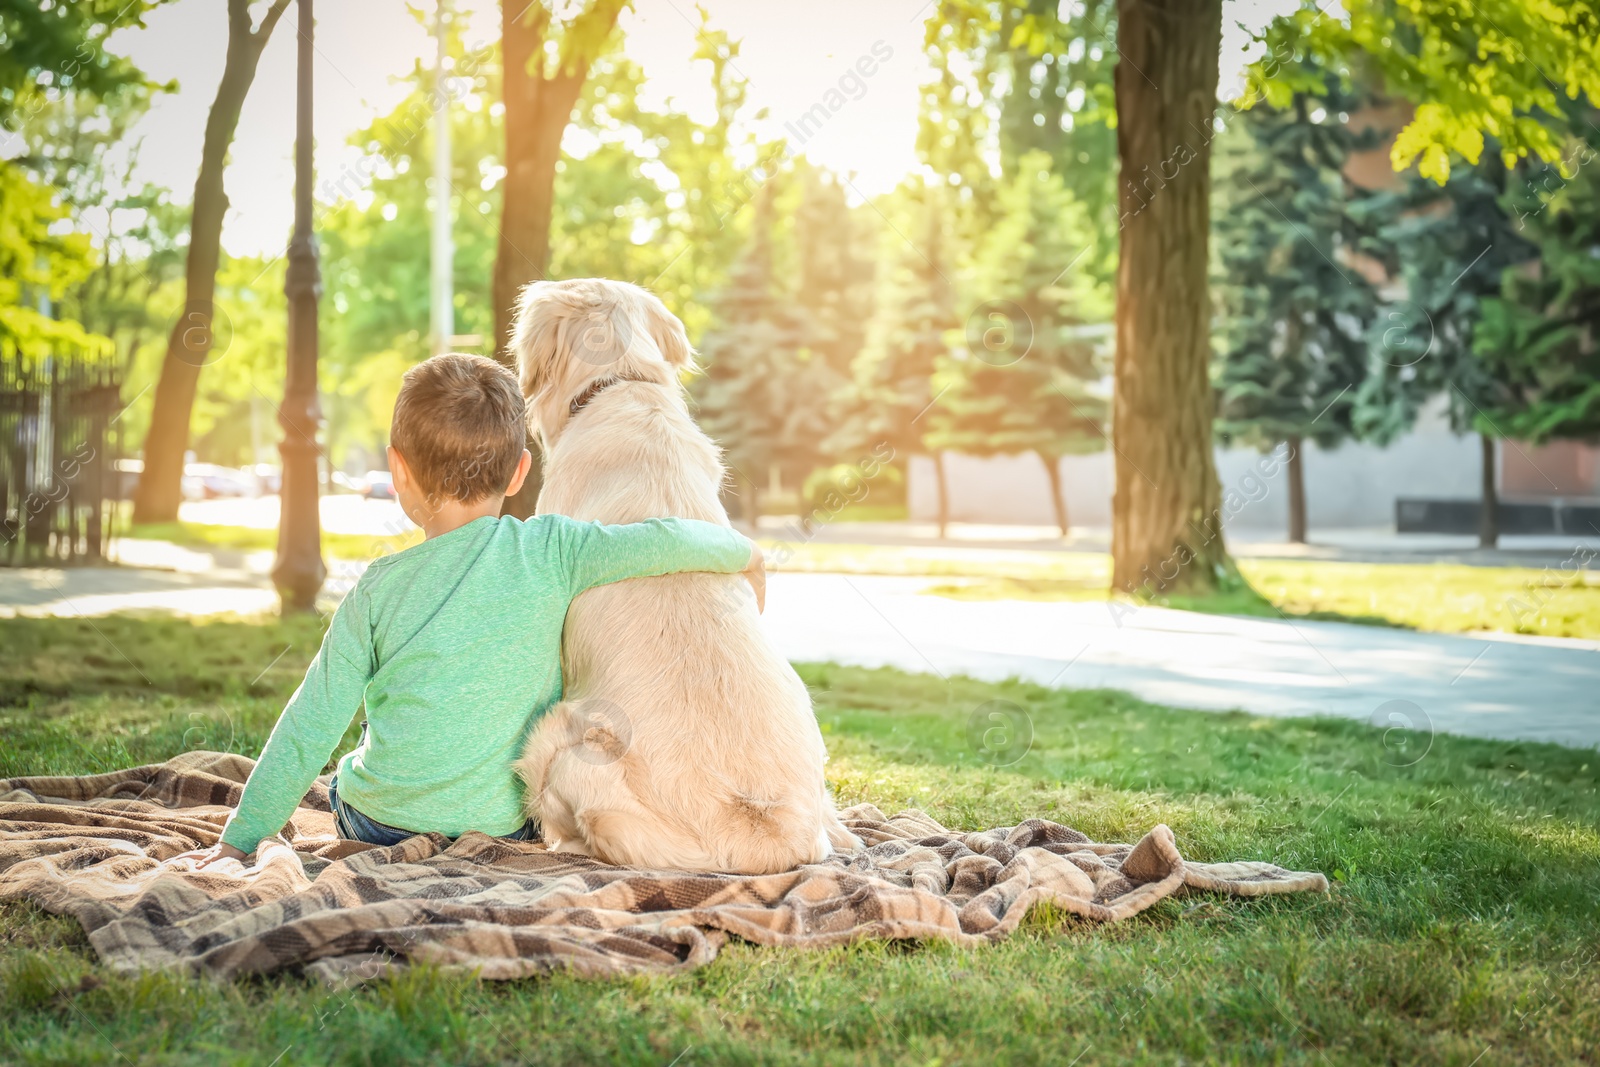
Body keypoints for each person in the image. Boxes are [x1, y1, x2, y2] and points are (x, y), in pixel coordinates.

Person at [183, 353, 763, 866]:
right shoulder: (556, 550)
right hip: (506, 829)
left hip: (379, 827)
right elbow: (666, 539)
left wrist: (242, 838)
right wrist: (745, 554)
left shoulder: (376, 592)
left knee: (355, 753)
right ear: (518, 474)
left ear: (398, 471)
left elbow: (309, 725)